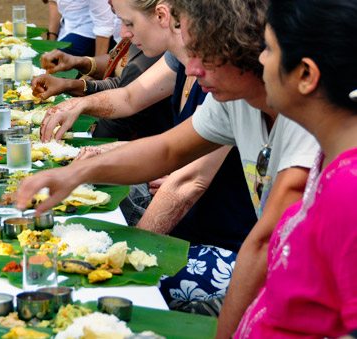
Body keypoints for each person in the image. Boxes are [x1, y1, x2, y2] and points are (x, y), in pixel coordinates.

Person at [17, 0, 318, 323]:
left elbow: (262, 245)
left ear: (246, 52)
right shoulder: (235, 98)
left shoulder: (304, 122)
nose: (191, 69)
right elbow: (166, 151)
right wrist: (77, 173)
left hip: (295, 286)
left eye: (204, 56)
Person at [235, 0, 357, 336]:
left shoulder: (350, 186)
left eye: (269, 49)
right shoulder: (327, 158)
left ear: (305, 74)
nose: (260, 58)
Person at [33, 37, 172, 141]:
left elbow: (128, 93)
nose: (123, 32)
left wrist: (78, 98)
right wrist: (78, 63)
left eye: (129, 22)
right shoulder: (153, 41)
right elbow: (119, 64)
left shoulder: (160, 51)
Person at [41, 0, 119, 56]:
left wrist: (96, 69)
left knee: (55, 61)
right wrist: (52, 40)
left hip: (92, 31)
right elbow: (54, 3)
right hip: (68, 26)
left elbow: (104, 26)